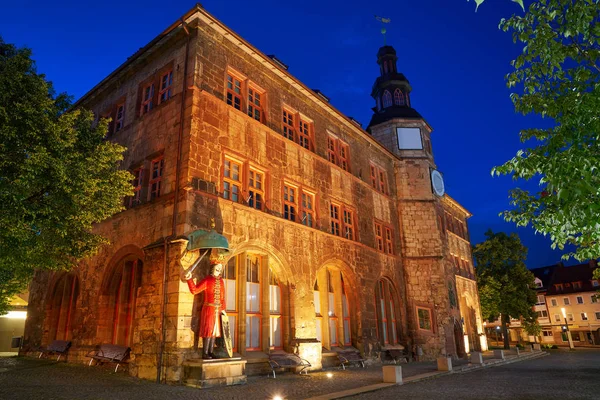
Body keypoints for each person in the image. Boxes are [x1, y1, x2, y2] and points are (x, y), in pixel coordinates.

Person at [185, 262, 226, 359]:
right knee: (208, 329)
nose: (219, 271)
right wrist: (189, 279)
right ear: (213, 269)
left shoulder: (221, 281)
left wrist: (223, 309)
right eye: (217, 269)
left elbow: (222, 297)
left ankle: (211, 352)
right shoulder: (207, 280)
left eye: (220, 270)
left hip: (218, 309)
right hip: (209, 308)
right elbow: (195, 290)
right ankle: (205, 352)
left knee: (215, 331)